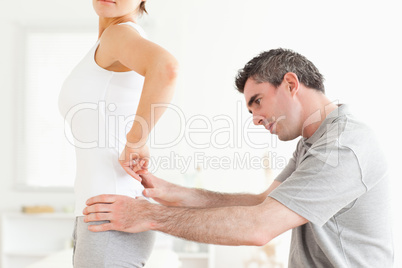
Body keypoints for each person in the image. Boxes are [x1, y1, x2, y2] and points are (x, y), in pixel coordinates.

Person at [83, 48, 394, 267]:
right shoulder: (314, 142)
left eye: (257, 101)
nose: (255, 118)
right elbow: (262, 202)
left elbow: (259, 226)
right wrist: (171, 193)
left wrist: (147, 216)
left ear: (290, 83)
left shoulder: (343, 147)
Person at [58, 0, 178, 266]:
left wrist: (137, 139)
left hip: (109, 213)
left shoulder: (119, 34)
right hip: (98, 210)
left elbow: (166, 68)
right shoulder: (108, 42)